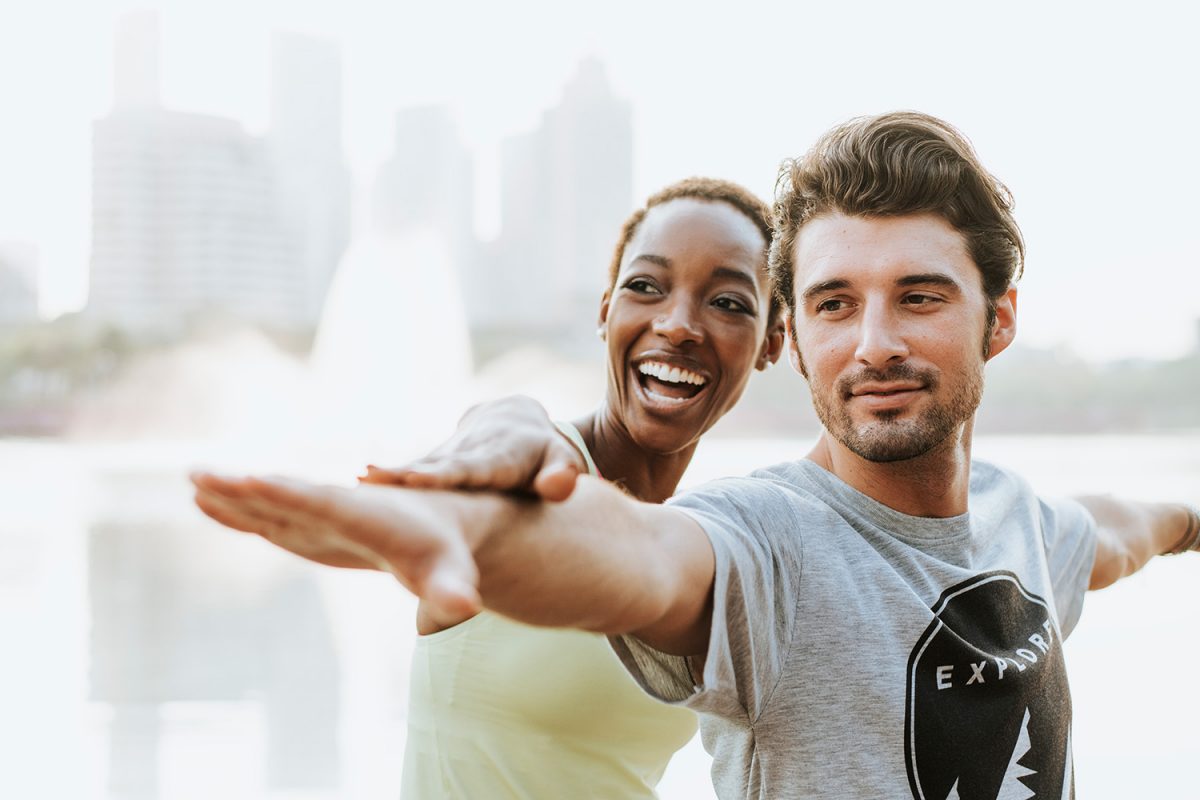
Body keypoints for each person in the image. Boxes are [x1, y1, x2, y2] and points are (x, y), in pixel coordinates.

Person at [193, 112, 1200, 799]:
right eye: (838, 302)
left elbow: (1124, 525)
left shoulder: (1019, 523)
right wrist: (447, 521)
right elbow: (631, 549)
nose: (877, 340)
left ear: (768, 342)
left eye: (728, 299)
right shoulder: (736, 533)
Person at [202, 177, 785, 799]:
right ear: (605, 310)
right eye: (645, 287)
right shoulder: (517, 480)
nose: (678, 324)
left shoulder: (703, 545)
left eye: (727, 302)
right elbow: (506, 433)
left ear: (771, 343)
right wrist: (497, 422)